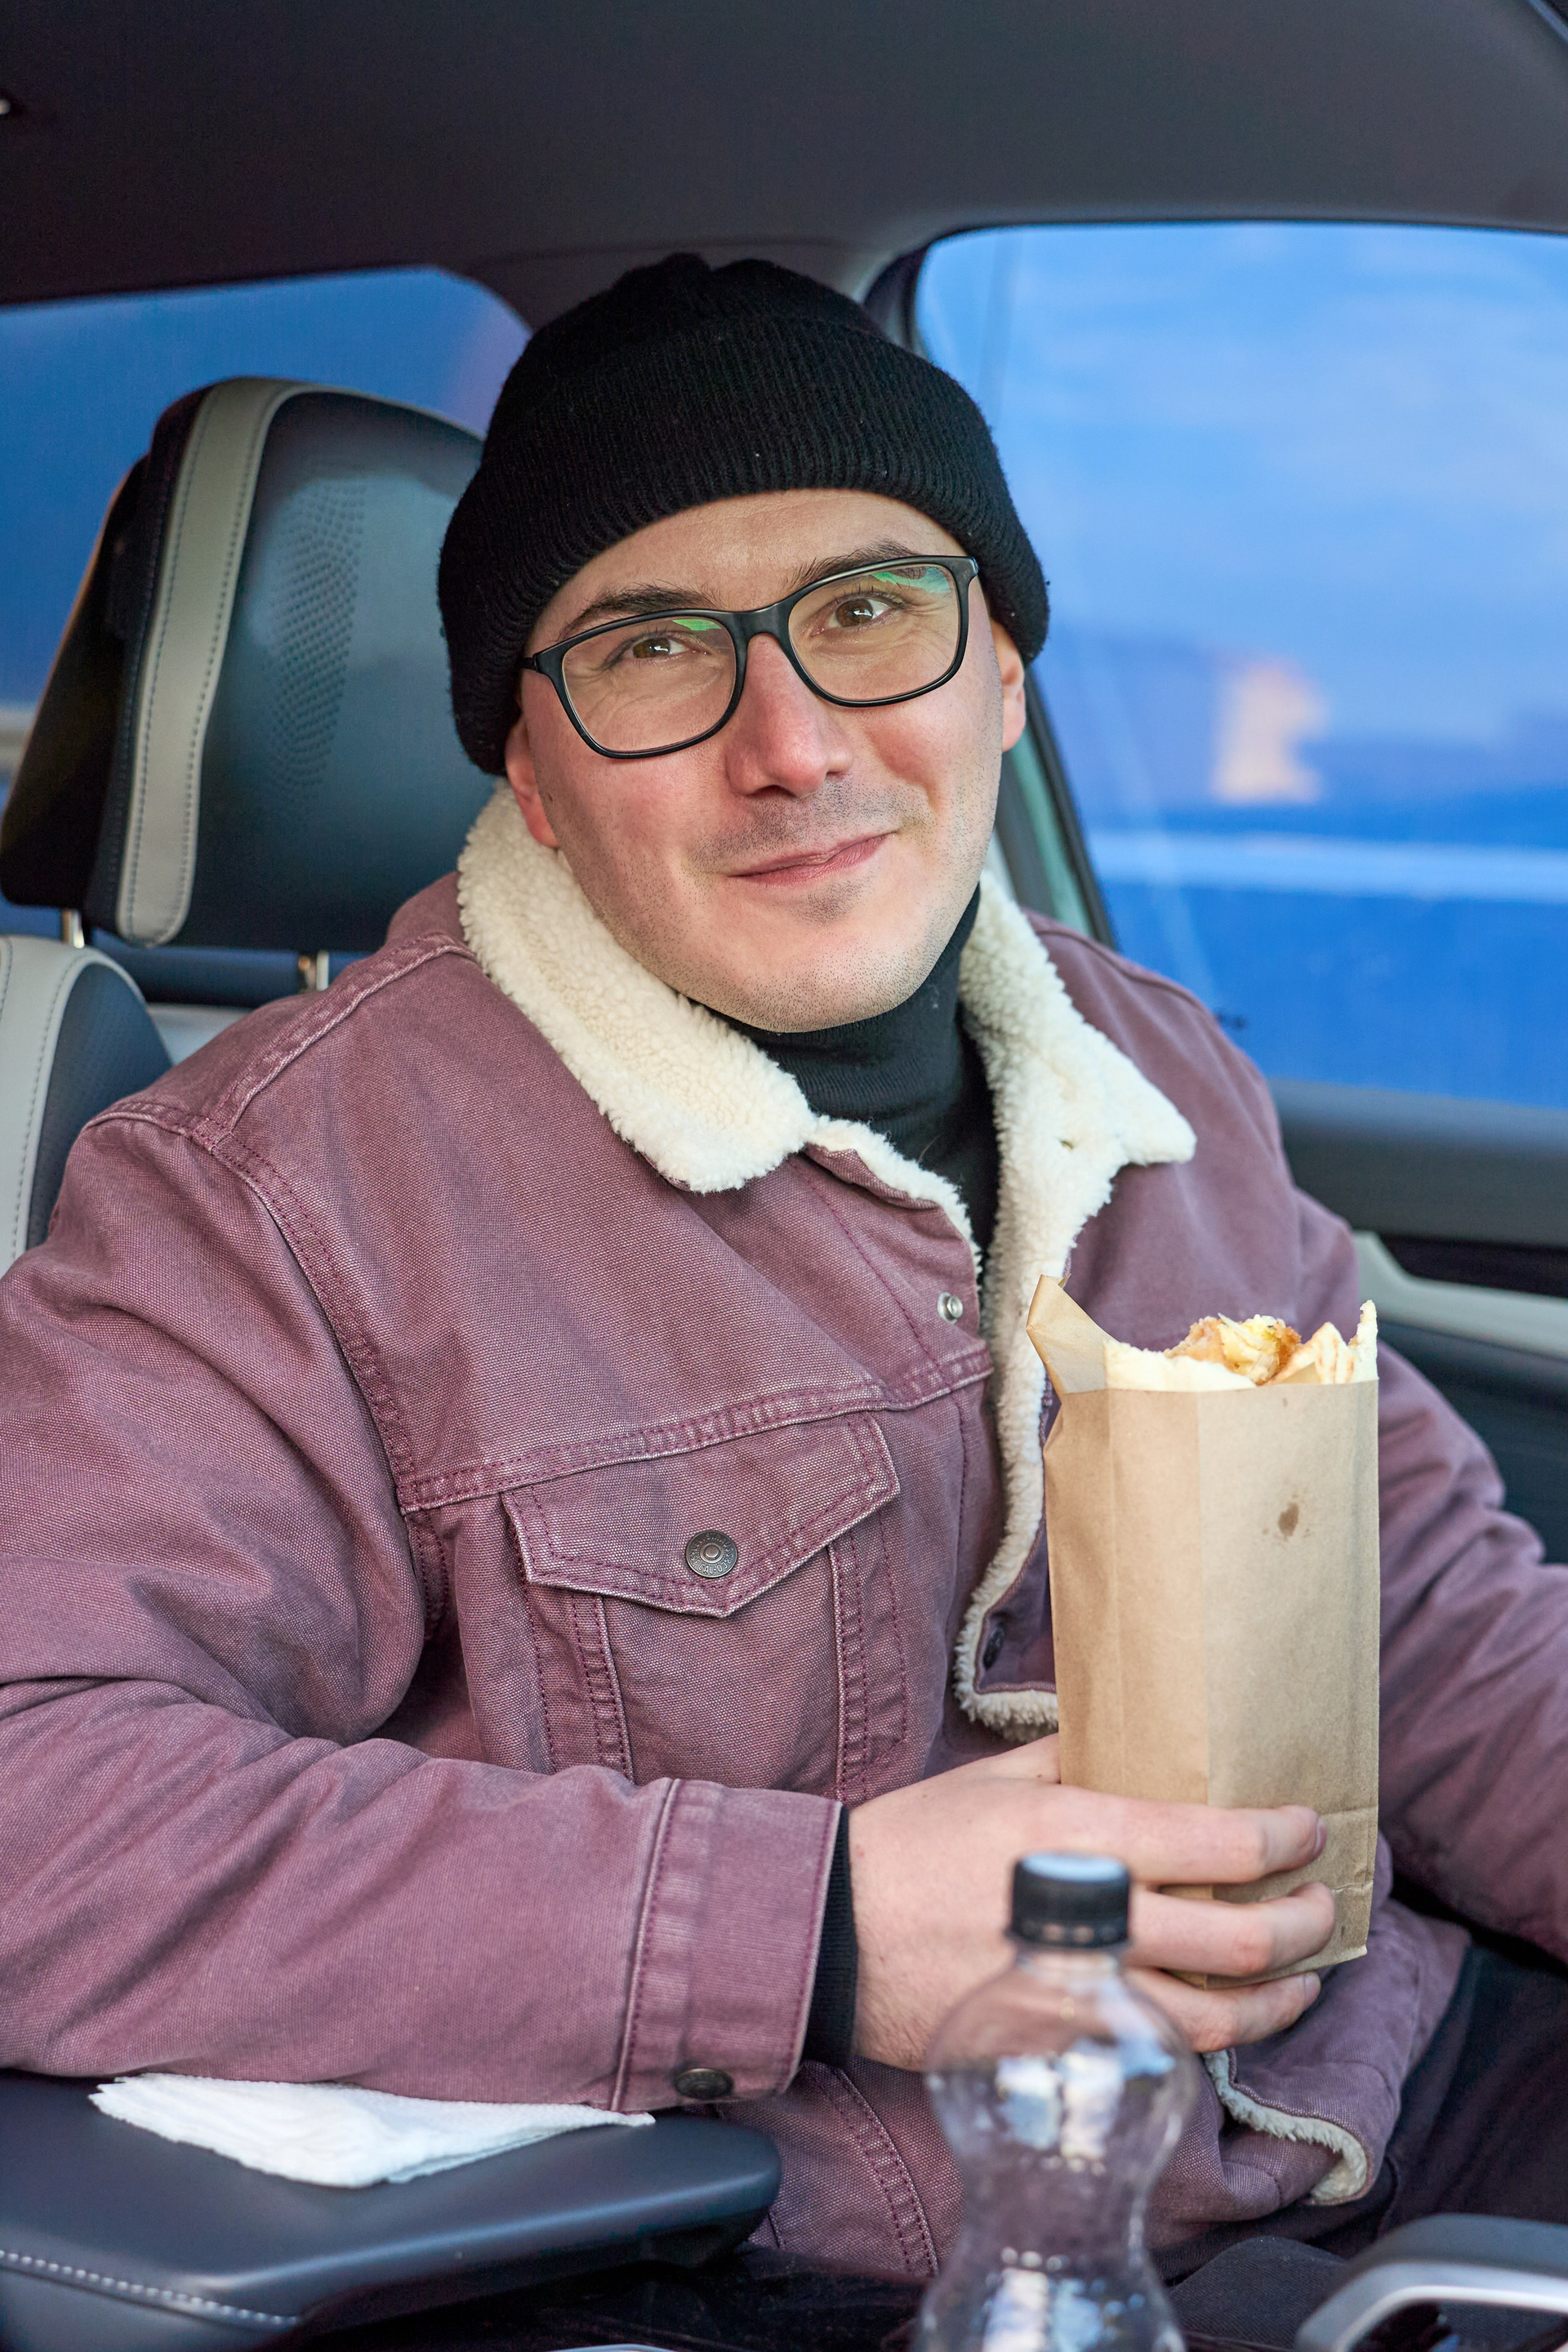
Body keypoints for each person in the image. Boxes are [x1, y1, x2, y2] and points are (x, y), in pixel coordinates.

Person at [1, 255, 1565, 2278]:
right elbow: (36, 1799)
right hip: (902, 2259)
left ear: (1003, 672)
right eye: (655, 651)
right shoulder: (271, 1198)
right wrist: (813, 1930)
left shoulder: (1154, 1069)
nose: (796, 744)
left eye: (872, 612)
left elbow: (1420, 1610)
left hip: (1382, 2093)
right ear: (531, 768)